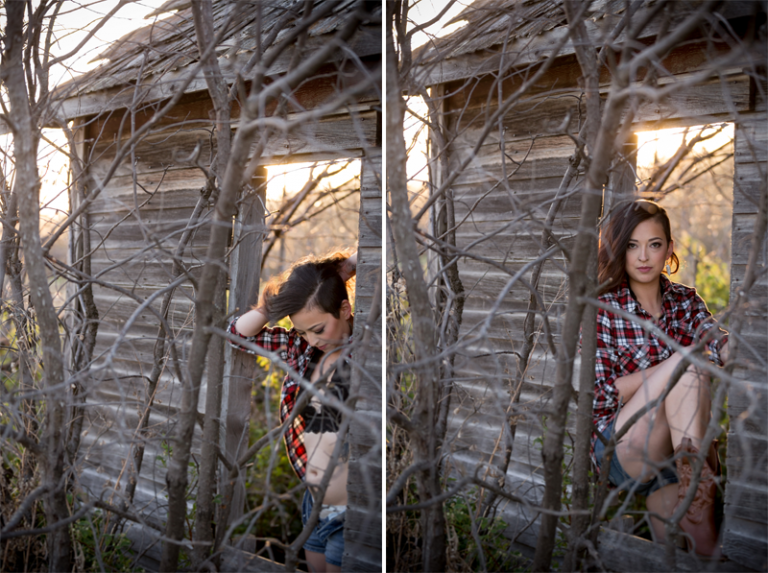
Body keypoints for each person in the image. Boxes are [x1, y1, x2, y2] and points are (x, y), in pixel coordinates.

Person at [590, 199, 729, 556]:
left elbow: (718, 339)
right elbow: (604, 394)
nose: (643, 256)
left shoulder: (685, 301)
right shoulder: (604, 308)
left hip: (677, 452)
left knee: (696, 547)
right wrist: (675, 364)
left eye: (654, 244)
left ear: (669, 248)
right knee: (689, 364)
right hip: (623, 447)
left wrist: (728, 349)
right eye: (632, 246)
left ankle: (695, 501)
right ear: (618, 250)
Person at [228, 249, 357, 573]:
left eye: (318, 328)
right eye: (302, 331)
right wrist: (272, 305)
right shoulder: (300, 349)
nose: (312, 340)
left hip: (351, 507)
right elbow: (238, 336)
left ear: (345, 309)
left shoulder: (365, 353)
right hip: (313, 502)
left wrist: (346, 269)